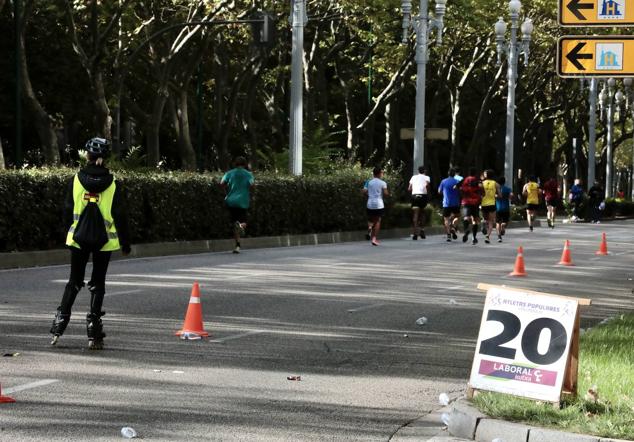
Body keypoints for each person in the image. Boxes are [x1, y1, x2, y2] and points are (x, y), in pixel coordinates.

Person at [50, 138, 131, 349]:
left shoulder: (76, 180)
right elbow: (120, 215)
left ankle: (59, 324)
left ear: (87, 155)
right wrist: (125, 241)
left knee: (74, 281)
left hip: (78, 240)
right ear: (105, 158)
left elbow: (67, 210)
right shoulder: (113, 184)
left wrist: (65, 233)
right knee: (98, 284)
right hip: (104, 242)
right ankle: (94, 333)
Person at [221, 157, 254, 254]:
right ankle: (241, 226)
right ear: (245, 164)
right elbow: (252, 185)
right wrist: (251, 193)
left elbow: (222, 183)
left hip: (231, 201)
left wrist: (226, 193)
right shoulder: (248, 174)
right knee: (243, 222)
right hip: (242, 201)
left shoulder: (229, 173)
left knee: (235, 224)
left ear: (235, 164)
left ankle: (237, 246)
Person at [363, 166, 389, 246]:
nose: (382, 174)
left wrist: (369, 195)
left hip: (370, 203)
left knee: (371, 219)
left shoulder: (368, 182)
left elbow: (364, 191)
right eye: (382, 173)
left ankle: (370, 227)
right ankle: (374, 239)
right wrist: (389, 194)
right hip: (379, 204)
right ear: (379, 174)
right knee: (378, 220)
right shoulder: (383, 183)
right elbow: (385, 193)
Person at [460, 167, 483, 245]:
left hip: (466, 202)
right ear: (475, 173)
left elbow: (461, 189)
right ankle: (474, 238)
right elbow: (481, 189)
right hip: (475, 202)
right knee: (475, 220)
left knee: (466, 217)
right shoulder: (478, 180)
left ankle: (466, 229)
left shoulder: (464, 180)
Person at [408, 166, 431, 240]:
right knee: (422, 213)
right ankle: (422, 230)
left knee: (415, 214)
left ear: (418, 171)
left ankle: (415, 233)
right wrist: (426, 189)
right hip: (423, 196)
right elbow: (427, 185)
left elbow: (409, 188)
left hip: (414, 196)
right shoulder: (426, 177)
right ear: (424, 171)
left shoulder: (413, 177)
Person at [438, 168, 461, 242]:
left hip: (446, 203)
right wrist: (456, 176)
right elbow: (462, 179)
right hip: (456, 203)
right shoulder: (457, 180)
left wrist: (444, 193)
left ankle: (448, 235)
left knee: (446, 219)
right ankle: (453, 228)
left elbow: (439, 191)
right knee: (457, 216)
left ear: (448, 174)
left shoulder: (443, 181)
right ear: (454, 174)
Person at [480, 169, 500, 244]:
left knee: (485, 219)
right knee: (491, 222)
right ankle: (487, 237)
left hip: (483, 204)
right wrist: (495, 195)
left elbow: (480, 194)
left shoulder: (482, 183)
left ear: (486, 175)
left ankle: (483, 222)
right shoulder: (496, 184)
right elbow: (500, 195)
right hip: (492, 204)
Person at [495, 176, 513, 243]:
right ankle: (503, 225)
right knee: (506, 221)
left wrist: (496, 196)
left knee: (497, 223)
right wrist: (509, 198)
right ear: (504, 182)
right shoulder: (508, 189)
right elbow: (511, 195)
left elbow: (494, 195)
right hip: (506, 208)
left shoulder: (496, 189)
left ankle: (499, 236)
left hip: (498, 208)